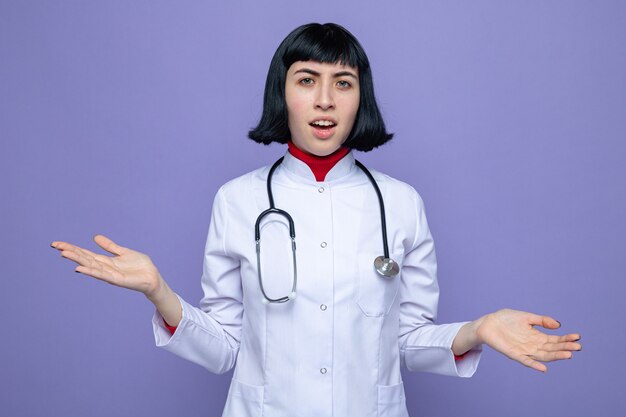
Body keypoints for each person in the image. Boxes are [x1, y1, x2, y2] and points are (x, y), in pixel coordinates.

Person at [51, 23, 581, 417]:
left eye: (342, 82)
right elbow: (225, 349)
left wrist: (477, 330)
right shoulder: (237, 199)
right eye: (307, 80)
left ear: (360, 97)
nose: (324, 100)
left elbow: (407, 342)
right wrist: (158, 291)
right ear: (283, 91)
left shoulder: (400, 203)